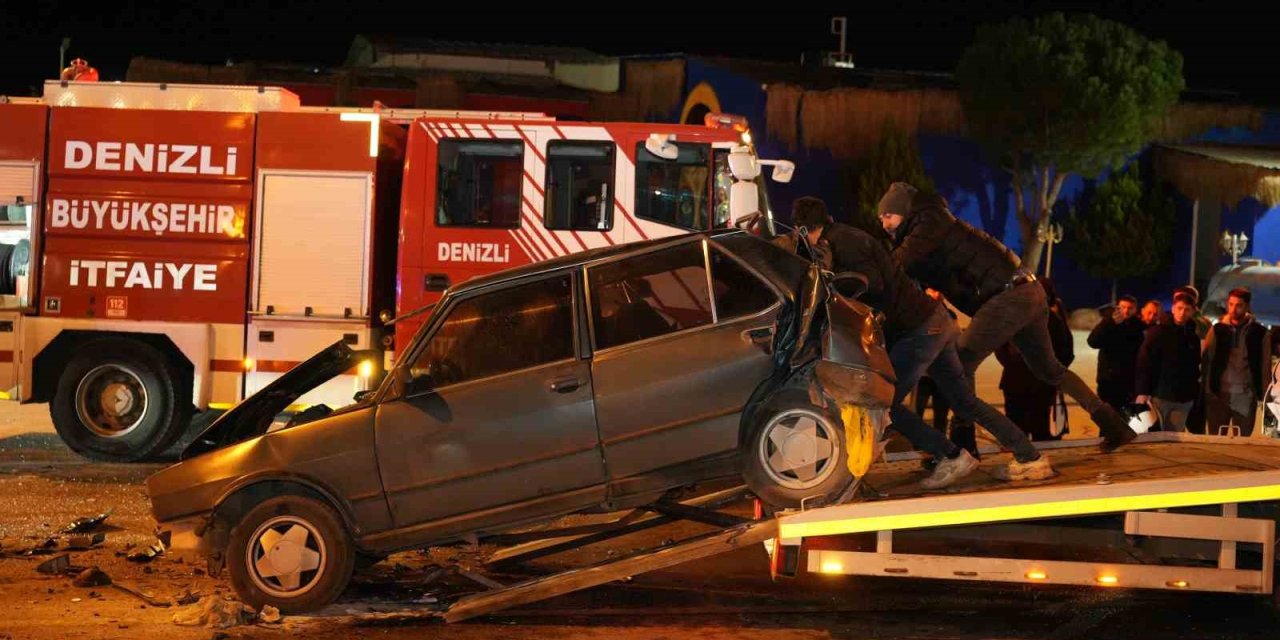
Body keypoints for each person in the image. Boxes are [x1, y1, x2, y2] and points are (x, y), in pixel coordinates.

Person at [792, 197, 1052, 485]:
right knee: (964, 401)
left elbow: (871, 283)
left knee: (884, 404)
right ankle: (1030, 458)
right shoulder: (845, 237)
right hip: (933, 322)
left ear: (806, 229)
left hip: (919, 329)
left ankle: (951, 456)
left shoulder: (841, 243)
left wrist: (838, 290)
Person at [876, 182, 1136, 452]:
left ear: (904, 211)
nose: (884, 224)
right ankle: (1114, 425)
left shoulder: (928, 223)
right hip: (1027, 290)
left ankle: (964, 443)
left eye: (887, 216)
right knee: (1050, 369)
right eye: (880, 218)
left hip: (1007, 296)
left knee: (960, 360)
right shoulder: (930, 225)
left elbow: (896, 266)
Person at [996, 278, 1073, 441]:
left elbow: (1066, 351)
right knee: (1036, 433)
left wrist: (1012, 364)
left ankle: (1026, 461)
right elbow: (1067, 353)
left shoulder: (1049, 320)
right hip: (1027, 383)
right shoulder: (1050, 320)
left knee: (1027, 432)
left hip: (1029, 384)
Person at [1205, 288, 1272, 436]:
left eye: (1239, 305)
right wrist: (1208, 389)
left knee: (1242, 442)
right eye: (1231, 304)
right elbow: (1208, 360)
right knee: (1216, 440)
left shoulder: (1260, 333)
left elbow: (1265, 365)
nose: (1234, 309)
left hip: (1245, 396)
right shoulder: (1218, 330)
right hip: (1219, 394)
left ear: (1247, 307)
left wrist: (1265, 396)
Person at [1135, 291, 1203, 432]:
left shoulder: (1193, 336)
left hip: (1183, 399)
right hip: (1159, 396)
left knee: (1174, 439)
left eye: (1187, 309)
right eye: (1179, 308)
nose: (1182, 313)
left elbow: (1195, 365)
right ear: (1173, 309)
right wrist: (1142, 391)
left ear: (1192, 312)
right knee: (1154, 437)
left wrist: (1193, 393)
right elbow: (1144, 362)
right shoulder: (1158, 332)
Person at [1088, 295, 1147, 411]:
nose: (1126, 310)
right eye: (1123, 307)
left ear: (1136, 309)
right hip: (1108, 382)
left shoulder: (1138, 327)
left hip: (1129, 383)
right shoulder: (1108, 324)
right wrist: (1108, 323)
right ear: (1117, 308)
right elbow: (1092, 342)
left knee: (1126, 420)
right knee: (1108, 419)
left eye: (1130, 308)